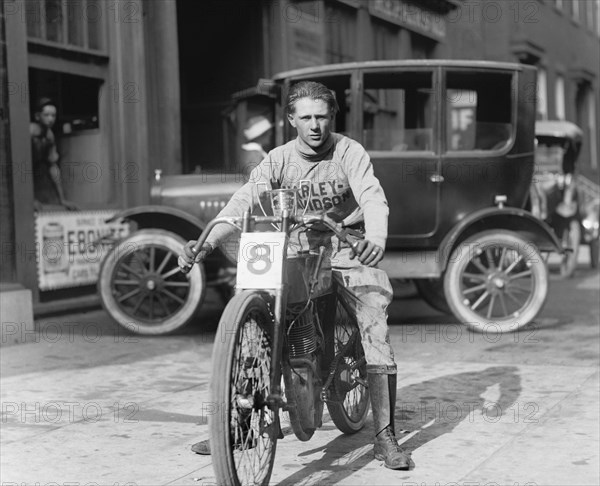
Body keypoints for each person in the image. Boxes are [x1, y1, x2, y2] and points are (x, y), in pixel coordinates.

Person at [178, 81, 411, 470]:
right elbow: (244, 201)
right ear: (291, 120)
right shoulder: (278, 158)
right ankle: (240, 425)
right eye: (306, 118)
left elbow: (372, 195)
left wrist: (376, 236)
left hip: (344, 242)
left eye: (321, 116)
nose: (315, 125)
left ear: (331, 117)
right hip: (296, 244)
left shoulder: (349, 152)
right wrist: (205, 243)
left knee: (373, 318)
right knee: (258, 320)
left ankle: (384, 436)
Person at [30, 97, 78, 211]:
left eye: (53, 115)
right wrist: (28, 199)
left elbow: (53, 166)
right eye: (46, 115)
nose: (50, 119)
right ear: (37, 116)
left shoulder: (49, 135)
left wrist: (62, 199)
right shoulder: (29, 133)